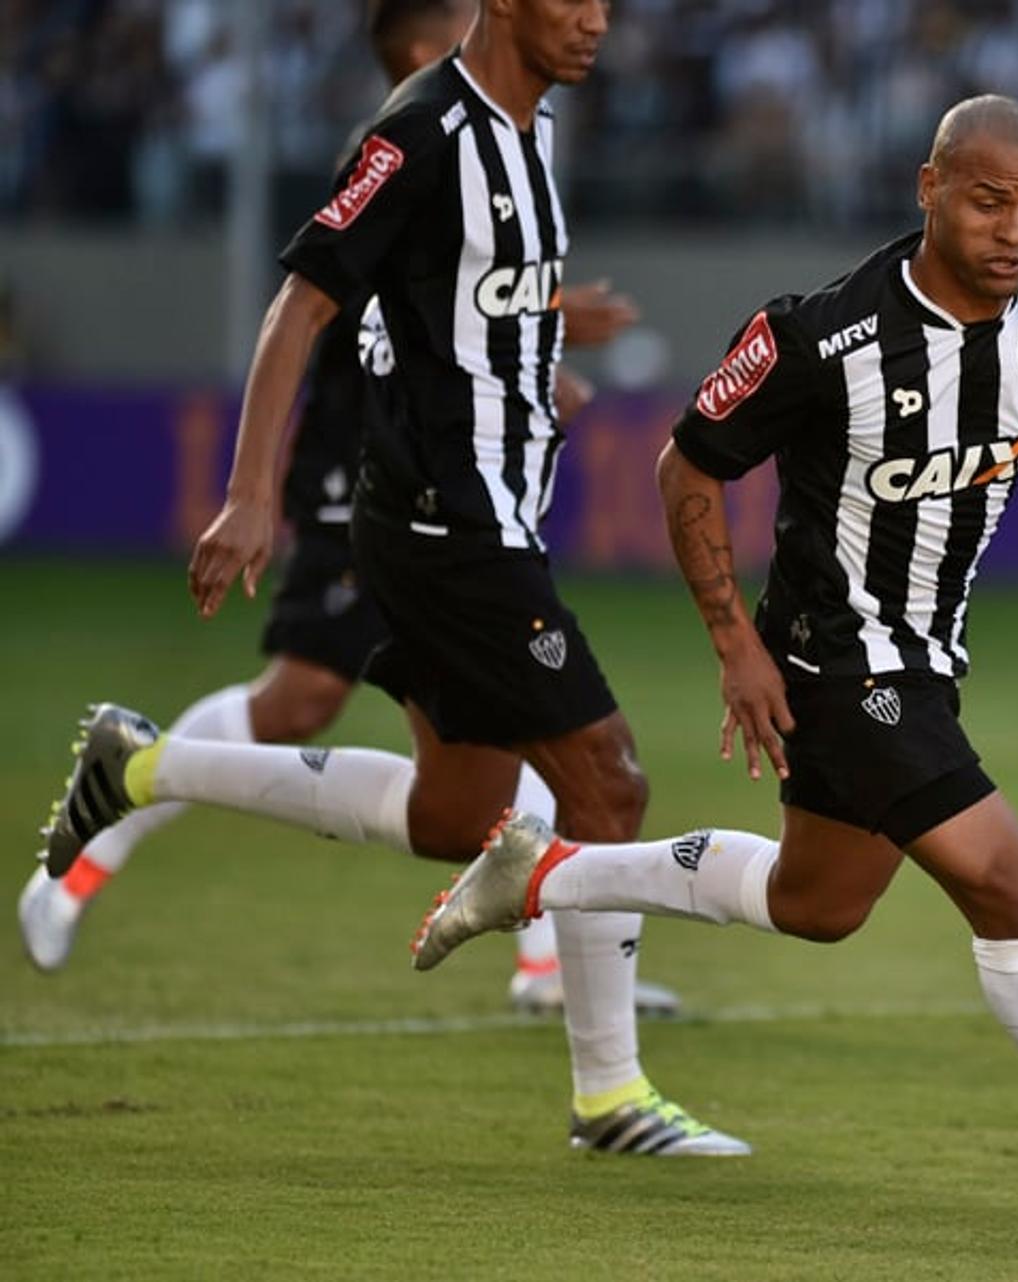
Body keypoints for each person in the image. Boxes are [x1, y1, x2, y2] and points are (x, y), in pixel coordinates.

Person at [407, 94, 1018, 1223]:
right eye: (987, 202)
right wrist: (737, 648)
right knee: (1008, 881)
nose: (1014, 230)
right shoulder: (824, 335)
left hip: (926, 654)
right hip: (832, 653)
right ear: (928, 188)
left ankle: (538, 874)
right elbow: (687, 468)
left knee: (816, 901)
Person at [35, 0, 741, 1156]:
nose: (599, 22)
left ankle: (146, 764)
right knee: (608, 785)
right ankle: (610, 1097)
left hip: (485, 515)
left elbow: (456, 303)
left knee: (457, 812)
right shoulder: (417, 135)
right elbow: (301, 301)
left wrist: (540, 366)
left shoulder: (537, 130)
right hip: (445, 527)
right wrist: (252, 491)